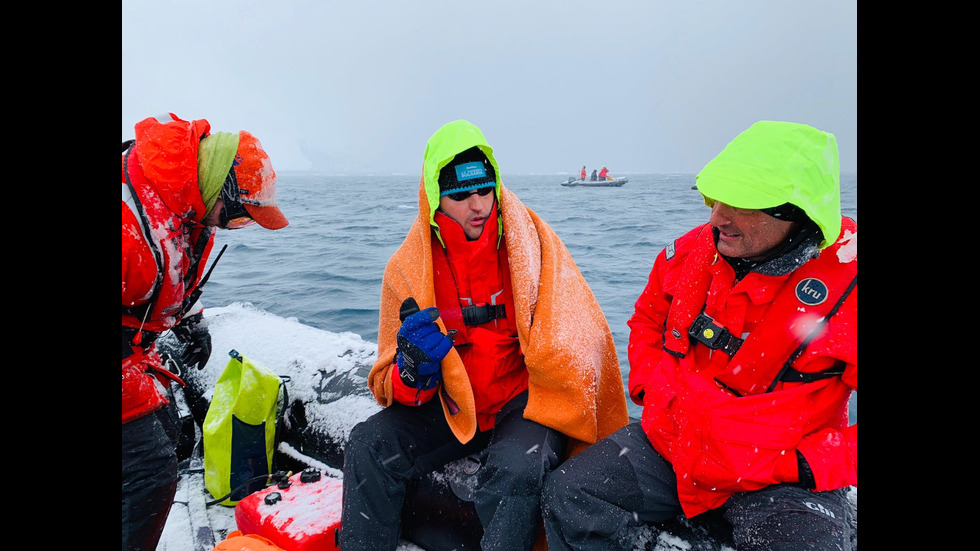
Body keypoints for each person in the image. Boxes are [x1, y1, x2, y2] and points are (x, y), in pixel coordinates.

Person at [541, 121, 857, 550]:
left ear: (793, 212)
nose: (717, 217)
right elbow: (647, 320)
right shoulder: (688, 253)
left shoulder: (848, 286)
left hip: (782, 476)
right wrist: (655, 394)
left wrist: (806, 465)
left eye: (740, 204)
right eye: (715, 198)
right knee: (569, 493)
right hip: (674, 446)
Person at [340, 119, 629, 551]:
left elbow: (582, 331)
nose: (477, 205)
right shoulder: (406, 268)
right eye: (461, 195)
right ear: (436, 199)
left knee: (516, 471)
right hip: (453, 405)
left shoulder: (534, 243)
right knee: (367, 444)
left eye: (485, 190)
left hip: (522, 402)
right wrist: (413, 373)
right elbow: (390, 383)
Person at [122, 113, 290, 551]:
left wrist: (190, 317)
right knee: (150, 471)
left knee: (170, 434)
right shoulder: (127, 223)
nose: (231, 226)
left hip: (133, 350)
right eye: (237, 217)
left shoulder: (188, 209)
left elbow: (174, 271)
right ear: (220, 188)